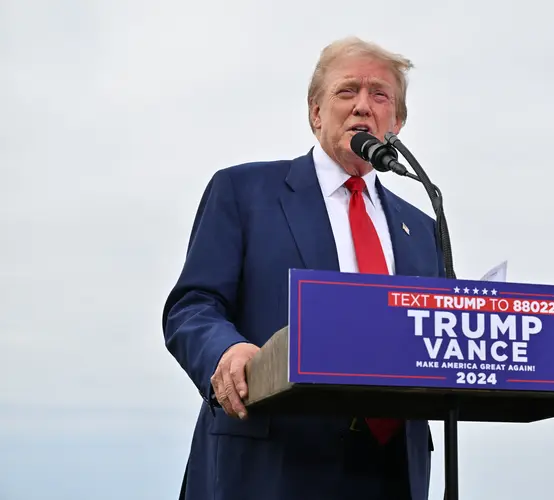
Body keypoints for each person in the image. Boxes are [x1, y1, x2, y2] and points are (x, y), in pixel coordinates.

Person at [162, 36, 445, 500]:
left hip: (391, 466)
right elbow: (193, 306)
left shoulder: (423, 226)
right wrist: (226, 352)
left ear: (398, 122)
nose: (362, 106)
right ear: (315, 112)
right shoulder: (244, 191)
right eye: (346, 91)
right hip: (272, 461)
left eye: (379, 95)